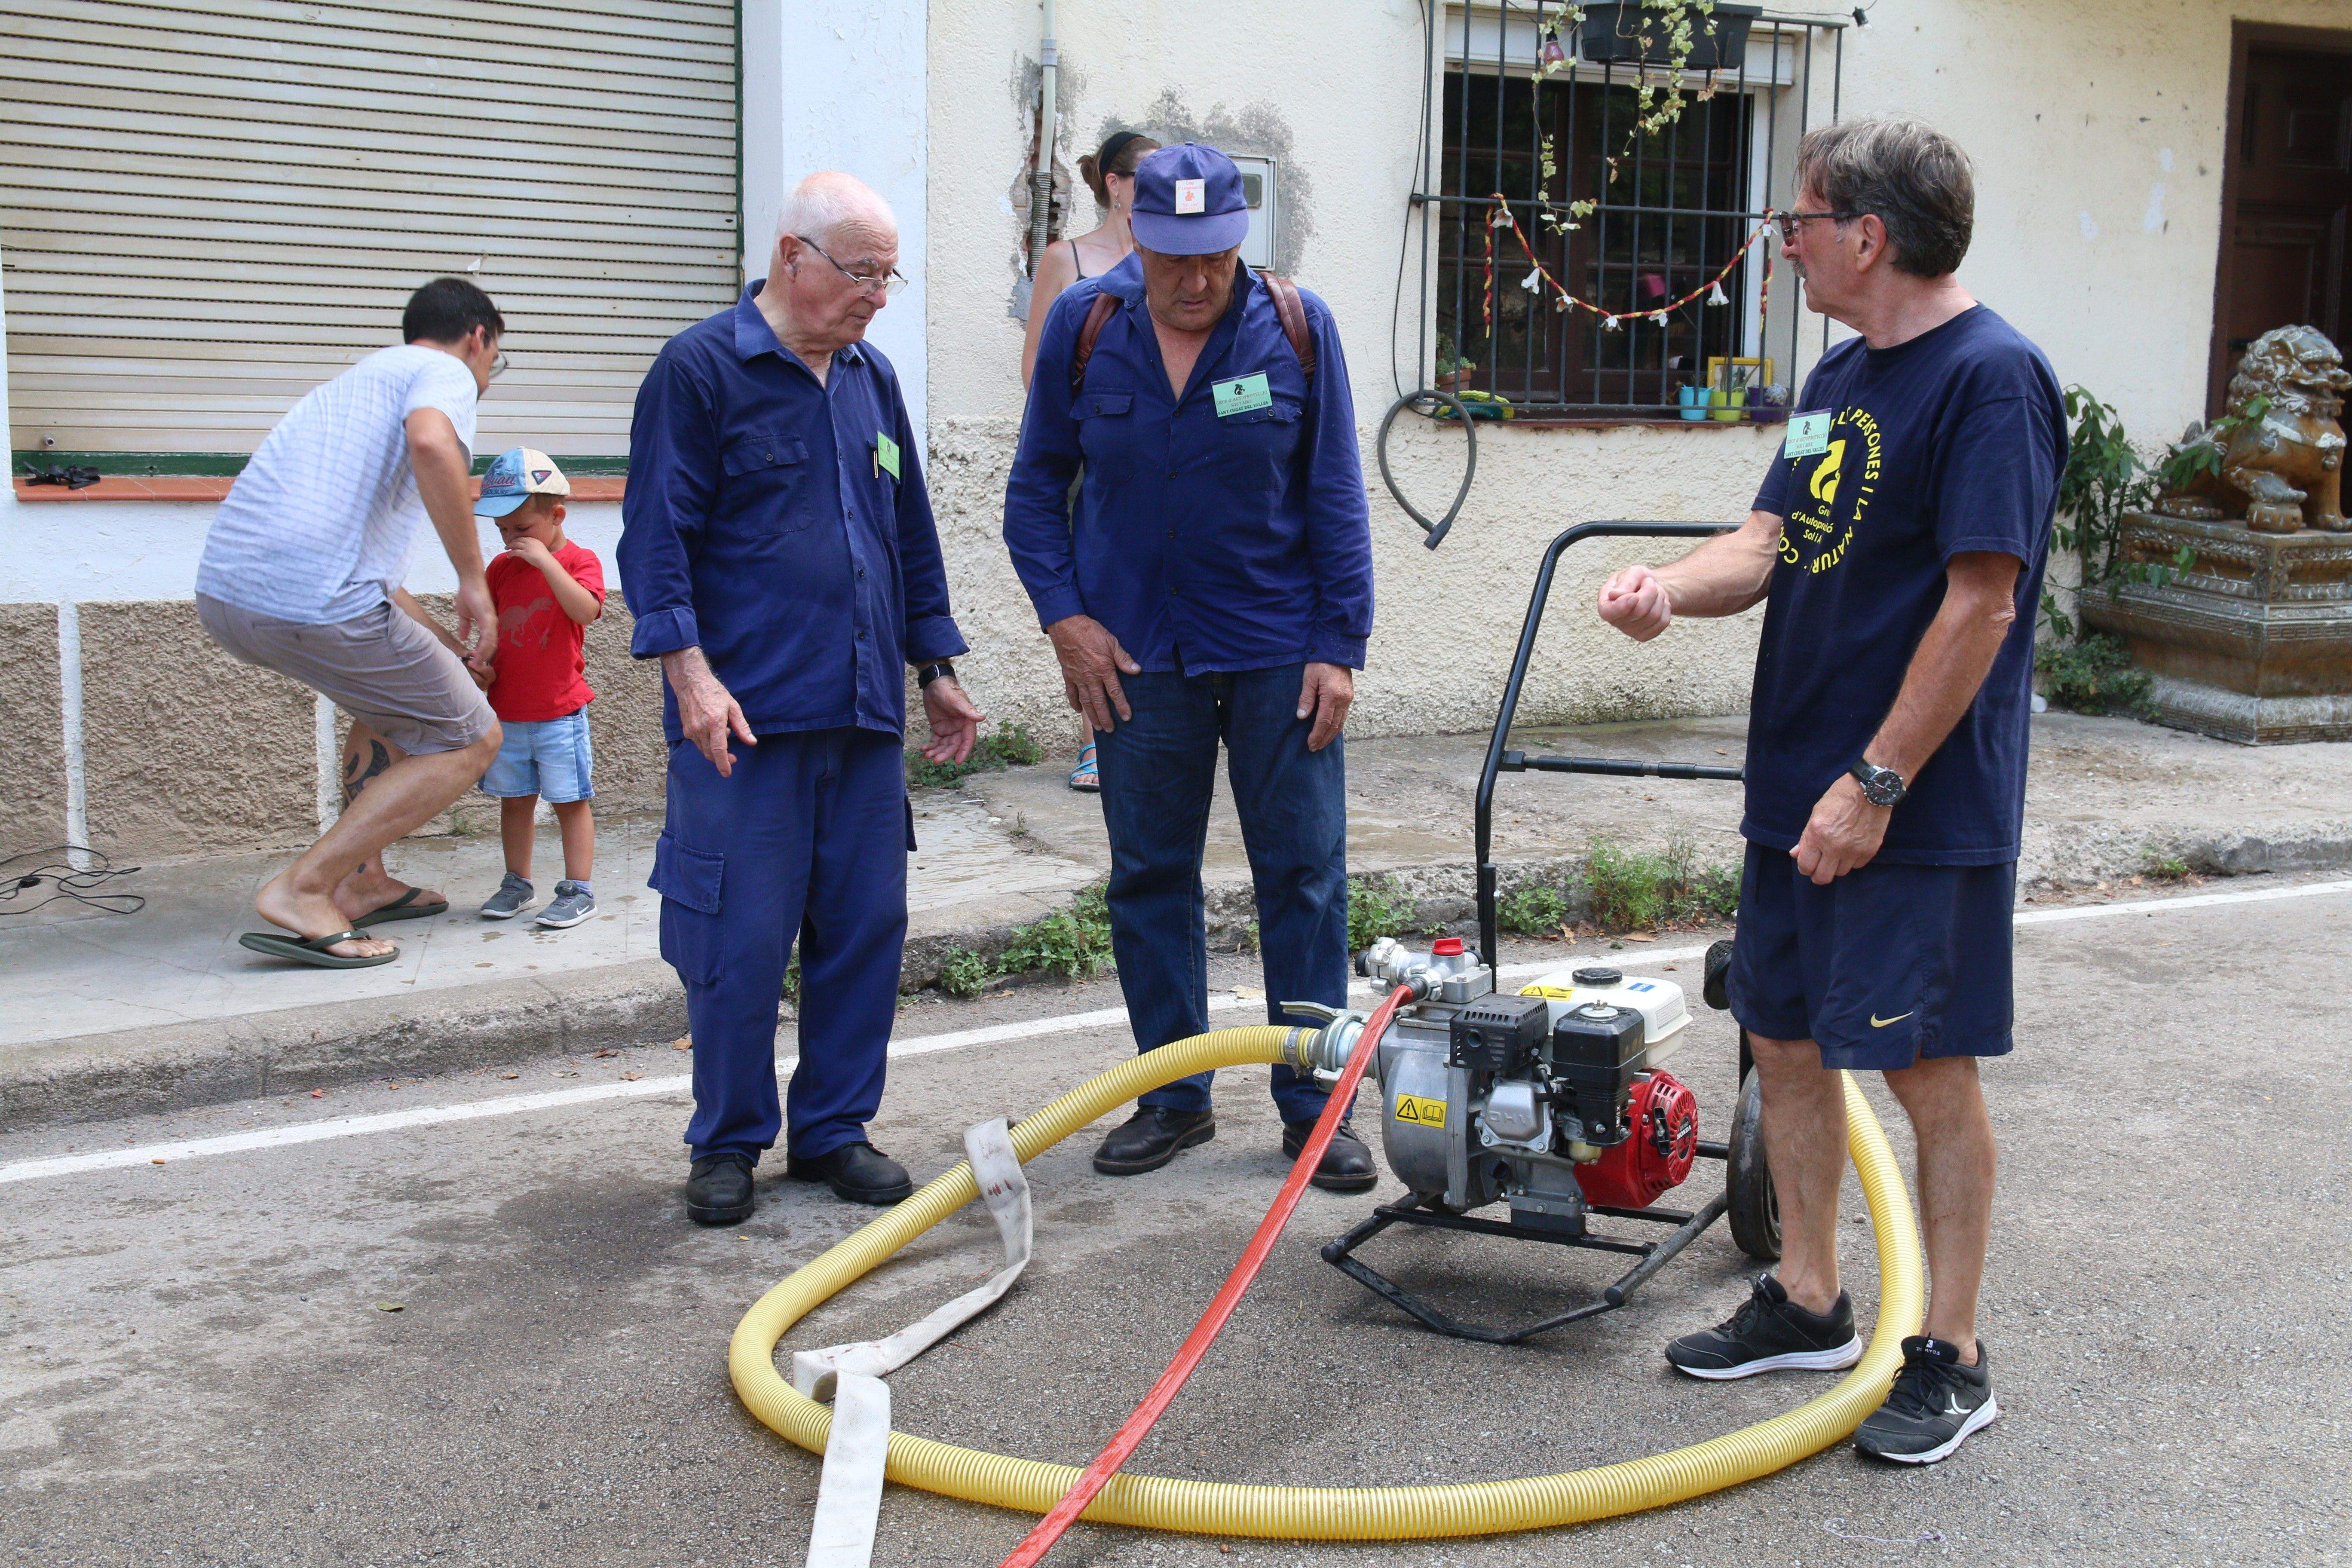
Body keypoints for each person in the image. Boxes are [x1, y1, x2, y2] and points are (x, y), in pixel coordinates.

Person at [1595, 118, 2060, 1464]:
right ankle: (1808, 1296)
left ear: (1868, 235)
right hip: (1796, 777)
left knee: (1924, 1066)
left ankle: (1955, 1353)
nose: (1782, 241)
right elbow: (1768, 537)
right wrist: (1663, 595)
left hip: (1907, 798)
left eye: (1797, 220)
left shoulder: (1992, 381)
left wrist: (1878, 780)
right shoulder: (1840, 374)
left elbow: (1982, 605)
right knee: (1787, 1041)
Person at [1002, 143, 1377, 1191]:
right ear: (1136, 236)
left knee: (1300, 879)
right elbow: (1034, 495)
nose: (1195, 280)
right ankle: (1174, 1097)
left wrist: (1338, 647)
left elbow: (1335, 496)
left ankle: (1313, 1105)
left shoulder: (1298, 328)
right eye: (1174, 259)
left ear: (1238, 238)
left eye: (1214, 256)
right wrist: (1064, 622)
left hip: (1275, 653)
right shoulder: (1085, 329)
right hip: (1134, 661)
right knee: (1149, 879)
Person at [620, 171, 985, 1226]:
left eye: (888, 276)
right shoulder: (699, 371)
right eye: (858, 272)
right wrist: (687, 673)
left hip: (863, 713)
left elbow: (906, 535)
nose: (876, 294)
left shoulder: (870, 380)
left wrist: (938, 669)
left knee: (864, 928)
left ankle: (832, 1129)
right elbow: (655, 540)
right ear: (792, 257)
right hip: (745, 719)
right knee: (735, 941)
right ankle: (727, 1141)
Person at [195, 277, 506, 970]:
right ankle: (306, 887)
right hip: (314, 600)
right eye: (494, 361)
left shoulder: (353, 388)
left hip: (231, 597)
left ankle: (364, 883)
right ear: (478, 338)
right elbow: (432, 445)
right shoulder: (444, 371)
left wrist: (448, 647)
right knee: (473, 738)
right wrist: (472, 580)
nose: (487, 376)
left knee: (393, 706)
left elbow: (379, 583)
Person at [1021, 128, 1161, 794]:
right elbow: (1036, 370)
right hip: (1090, 445)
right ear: (1115, 183)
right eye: (1148, 180)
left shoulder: (1175, 255)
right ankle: (1095, 738)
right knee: (1089, 586)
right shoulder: (1068, 260)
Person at [470, 448, 604, 930]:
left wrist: (547, 563)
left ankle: (578, 889)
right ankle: (517, 881)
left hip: (558, 712)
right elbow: (492, 630)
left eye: (521, 529)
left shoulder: (578, 561)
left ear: (557, 516)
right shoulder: (501, 570)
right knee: (516, 799)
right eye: (502, 531)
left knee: (570, 800)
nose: (510, 540)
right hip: (507, 710)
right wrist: (480, 666)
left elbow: (585, 611)